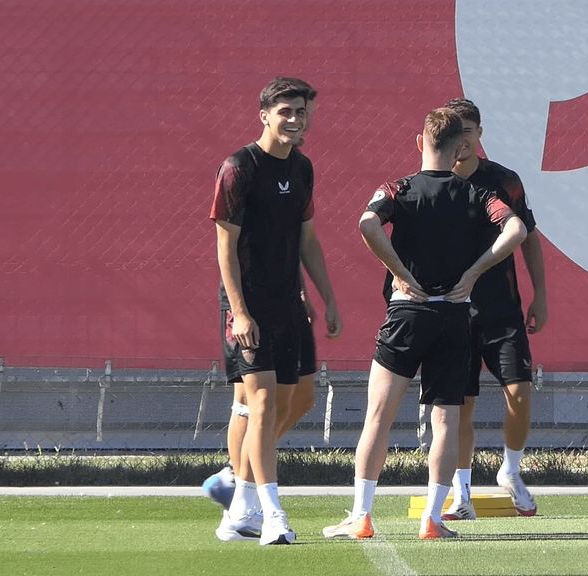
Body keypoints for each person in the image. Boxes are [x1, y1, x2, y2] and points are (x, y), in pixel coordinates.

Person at [322, 108, 527, 540]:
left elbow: (366, 222)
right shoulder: (475, 194)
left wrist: (399, 271)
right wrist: (473, 273)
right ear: (461, 150)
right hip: (455, 315)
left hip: (406, 312)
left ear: (420, 142)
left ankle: (361, 515)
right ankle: (433, 519)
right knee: (446, 421)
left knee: (378, 414)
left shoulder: (399, 188)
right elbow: (516, 229)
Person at [208, 76, 341, 545]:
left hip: (291, 303)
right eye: (285, 111)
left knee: (298, 400)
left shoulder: (303, 168)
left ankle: (236, 497)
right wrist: (239, 311)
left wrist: (326, 298)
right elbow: (225, 246)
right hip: (250, 305)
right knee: (261, 404)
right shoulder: (238, 168)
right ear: (264, 114)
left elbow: (307, 239)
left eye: (301, 112)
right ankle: (272, 514)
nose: (294, 119)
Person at [439, 98, 547, 521]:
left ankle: (511, 471)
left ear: (479, 133)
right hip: (452, 312)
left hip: (502, 311)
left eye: (466, 130)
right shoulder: (433, 181)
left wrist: (541, 293)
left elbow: (529, 237)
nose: (460, 140)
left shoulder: (506, 181)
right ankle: (461, 493)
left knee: (519, 392)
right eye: (452, 131)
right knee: (460, 405)